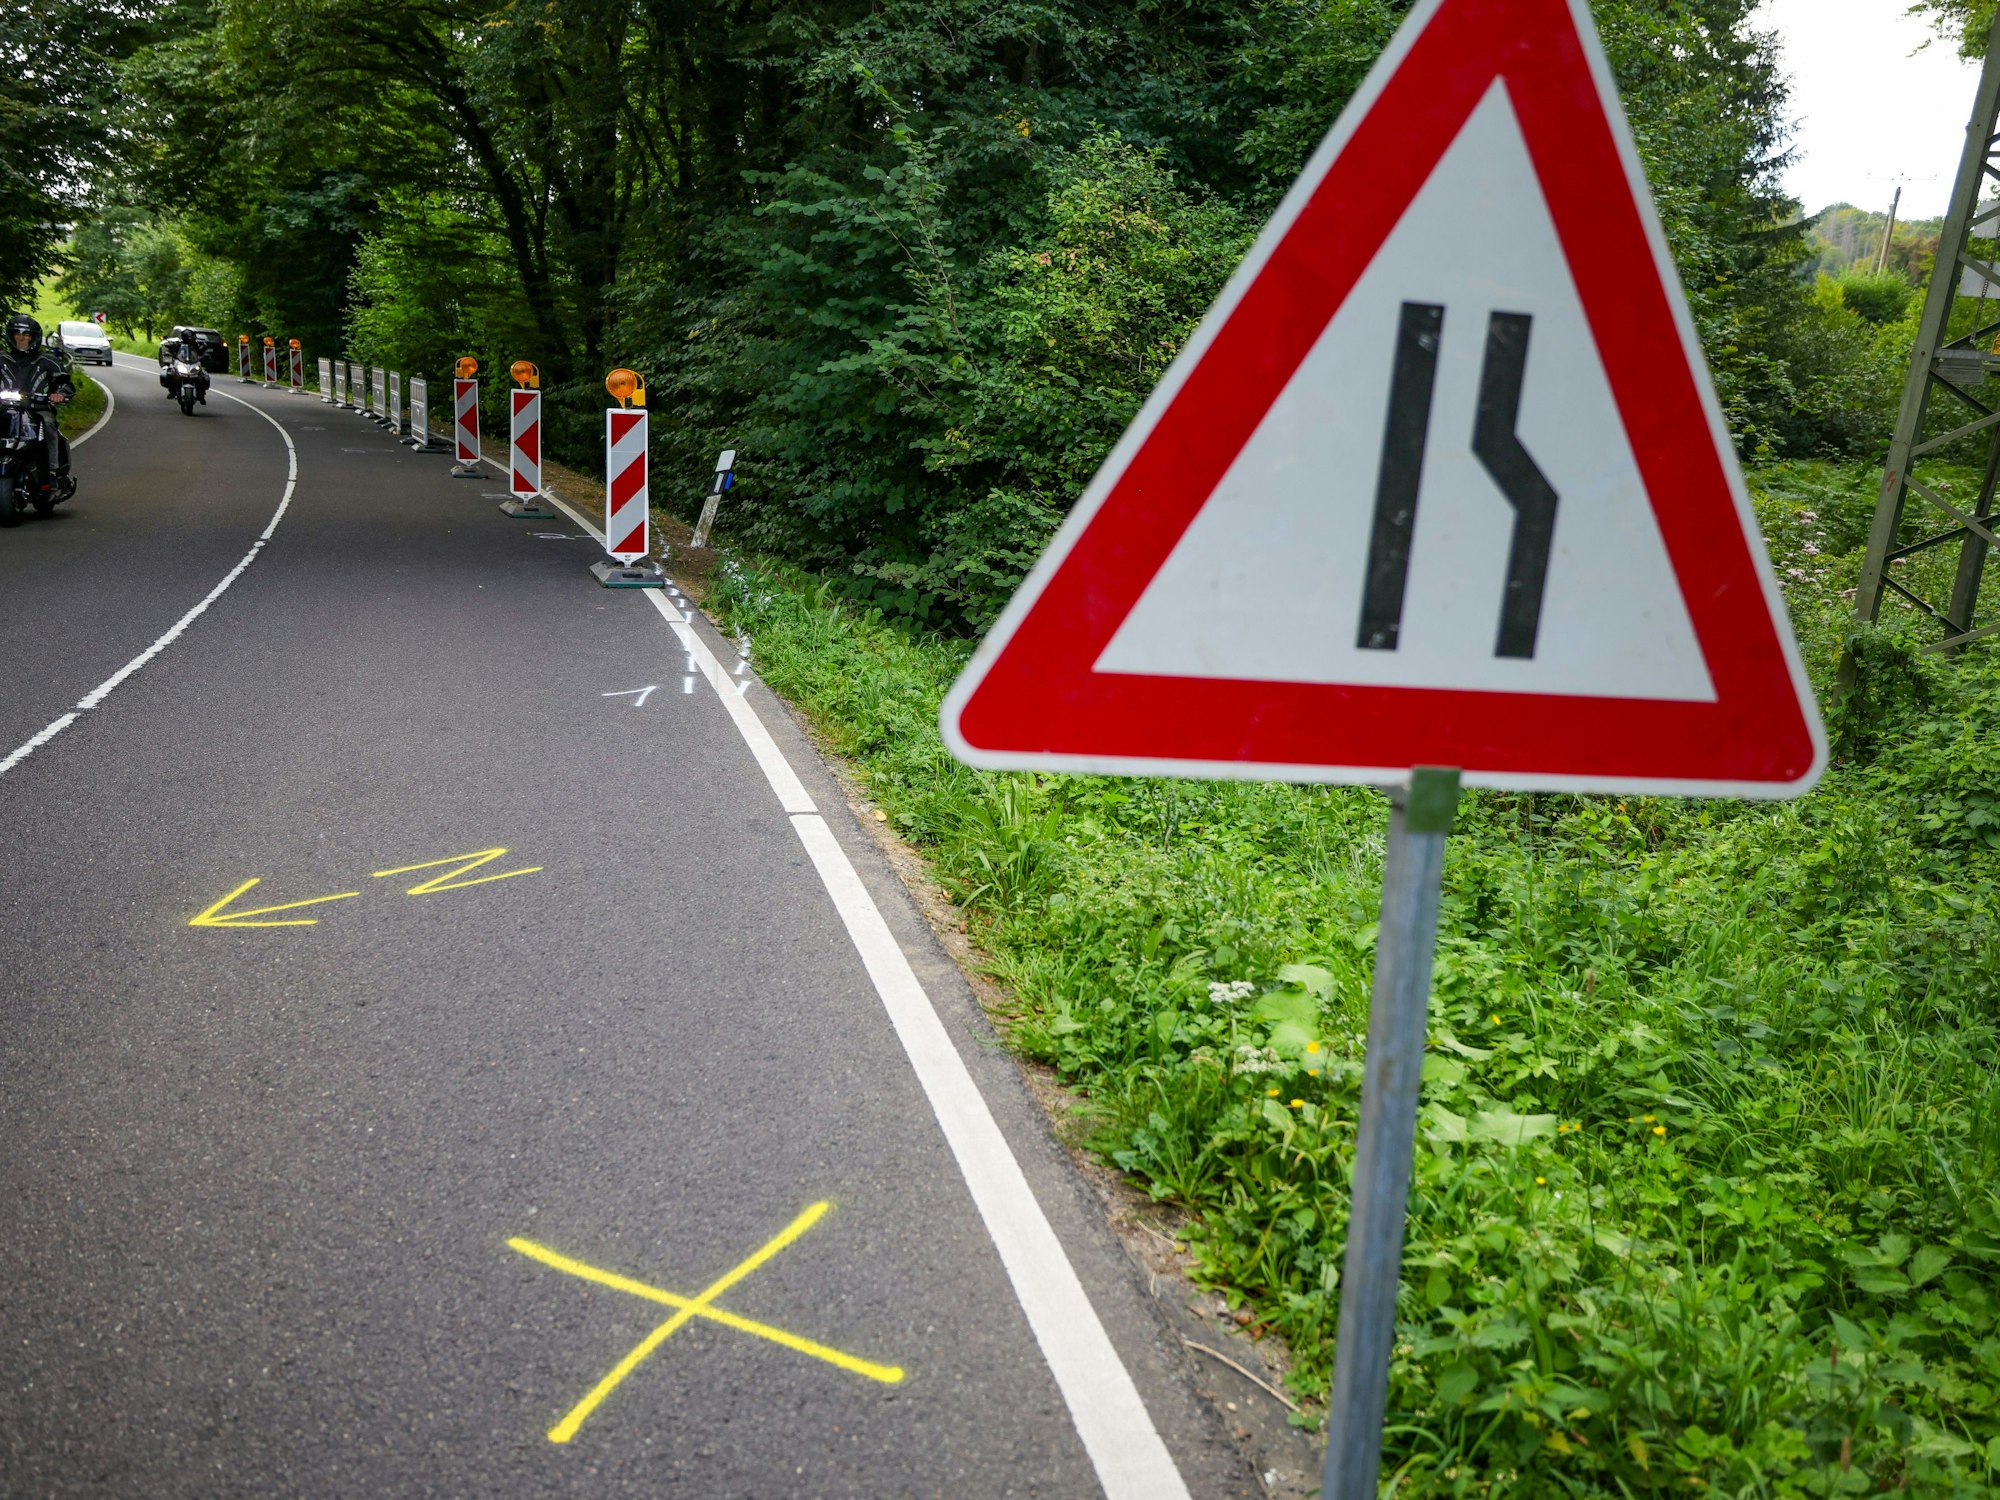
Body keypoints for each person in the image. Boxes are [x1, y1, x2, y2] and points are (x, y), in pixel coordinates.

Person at [1, 313, 74, 497]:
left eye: (26, 335)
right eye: (17, 333)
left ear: (34, 337)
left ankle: (51, 470)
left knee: (48, 423)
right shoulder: (2, 359)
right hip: (4, 409)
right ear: (11, 336)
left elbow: (65, 383)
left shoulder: (47, 361)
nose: (21, 338)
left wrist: (60, 394)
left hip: (37, 409)